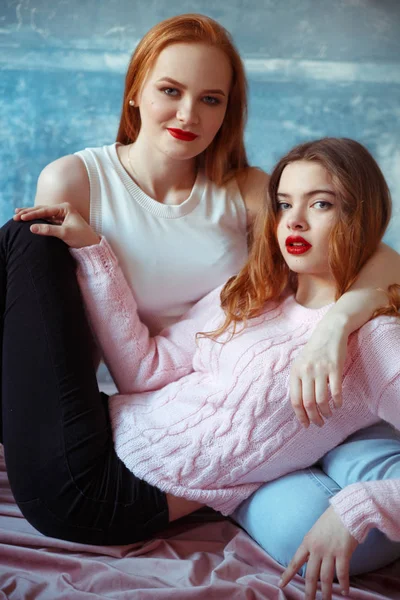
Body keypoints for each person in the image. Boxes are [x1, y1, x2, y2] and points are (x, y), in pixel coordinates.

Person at [5, 137, 400, 600]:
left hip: (102, 492)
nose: (294, 220)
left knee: (26, 241)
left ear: (363, 215)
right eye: (284, 203)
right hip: (101, 429)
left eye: (321, 203)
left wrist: (358, 508)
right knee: (41, 236)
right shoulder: (251, 290)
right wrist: (94, 251)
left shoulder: (375, 337)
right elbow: (144, 372)